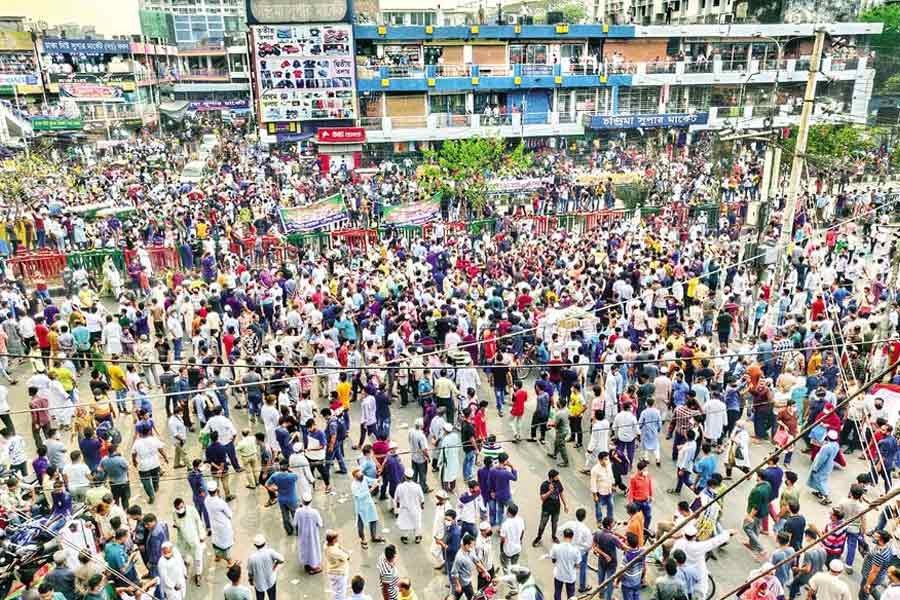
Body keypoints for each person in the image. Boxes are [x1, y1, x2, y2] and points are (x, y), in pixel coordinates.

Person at [172, 497, 206, 586]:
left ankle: (198, 574)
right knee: (182, 554)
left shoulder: (191, 510)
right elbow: (177, 525)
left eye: (181, 507)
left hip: (194, 539)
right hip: (183, 539)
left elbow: (198, 522)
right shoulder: (174, 514)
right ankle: (185, 564)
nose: (180, 510)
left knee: (197, 558)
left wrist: (202, 535)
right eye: (178, 508)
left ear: (184, 504)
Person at [351, 467, 384, 548]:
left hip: (369, 503)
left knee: (374, 519)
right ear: (355, 477)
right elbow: (359, 496)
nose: (361, 476)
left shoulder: (364, 478)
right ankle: (363, 540)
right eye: (359, 475)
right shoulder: (354, 485)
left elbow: (372, 480)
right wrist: (371, 489)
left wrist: (378, 479)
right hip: (361, 506)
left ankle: (374, 536)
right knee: (361, 524)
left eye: (361, 474)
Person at [533, 469, 568, 546]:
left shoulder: (558, 483)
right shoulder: (544, 485)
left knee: (554, 524)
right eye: (557, 476)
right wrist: (550, 491)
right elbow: (542, 498)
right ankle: (538, 537)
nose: (558, 477)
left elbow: (561, 494)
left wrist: (565, 505)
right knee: (542, 524)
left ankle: (554, 536)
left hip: (556, 509)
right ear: (552, 478)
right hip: (546, 509)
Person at [205, 481, 235, 567]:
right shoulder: (220, 502)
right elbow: (230, 514)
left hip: (213, 524)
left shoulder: (206, 500)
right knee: (225, 544)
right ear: (217, 490)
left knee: (216, 541)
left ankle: (217, 556)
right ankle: (229, 561)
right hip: (223, 526)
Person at [266, 459, 300, 536]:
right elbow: (296, 476)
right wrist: (290, 470)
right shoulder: (292, 476)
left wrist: (275, 490)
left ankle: (289, 531)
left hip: (281, 499)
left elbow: (267, 484)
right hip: (292, 499)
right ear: (288, 466)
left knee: (285, 516)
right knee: (295, 515)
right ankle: (298, 530)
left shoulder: (275, 475)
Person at [247, 535, 284, 600]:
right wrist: (275, 564)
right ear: (265, 543)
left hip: (259, 584)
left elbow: (250, 573)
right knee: (272, 598)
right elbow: (282, 559)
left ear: (255, 545)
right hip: (271, 581)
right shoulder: (270, 552)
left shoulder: (251, 558)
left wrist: (250, 580)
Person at [394, 468, 425, 544]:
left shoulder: (400, 487)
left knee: (405, 523)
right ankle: (417, 537)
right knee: (416, 523)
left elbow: (396, 498)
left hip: (405, 509)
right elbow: (421, 498)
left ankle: (405, 537)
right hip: (415, 508)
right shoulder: (417, 486)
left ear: (404, 476)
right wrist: (422, 504)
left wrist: (398, 506)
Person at [550, 528, 581, 600]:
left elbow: (553, 559)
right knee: (571, 595)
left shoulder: (556, 547)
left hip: (559, 574)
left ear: (563, 536)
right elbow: (577, 565)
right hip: (570, 576)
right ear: (572, 537)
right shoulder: (575, 550)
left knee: (557, 592)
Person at [325, 530, 351, 600]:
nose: (337, 540)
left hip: (331, 571)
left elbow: (336, 545)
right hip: (339, 573)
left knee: (335, 591)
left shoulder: (326, 546)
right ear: (333, 540)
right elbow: (347, 557)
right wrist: (345, 551)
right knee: (340, 593)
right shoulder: (335, 552)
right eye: (336, 538)